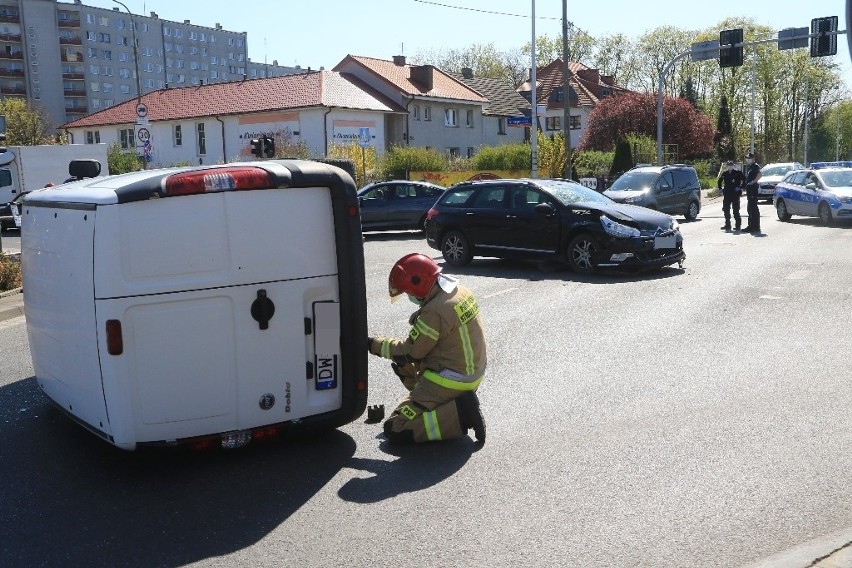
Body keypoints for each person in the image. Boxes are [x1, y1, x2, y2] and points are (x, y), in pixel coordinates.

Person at [367, 253, 487, 445]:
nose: (409, 297)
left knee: (395, 428)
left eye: (408, 292)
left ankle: (461, 414)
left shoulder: (435, 311)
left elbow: (410, 351)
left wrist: (372, 344)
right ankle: (440, 403)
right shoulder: (459, 291)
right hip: (471, 371)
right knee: (402, 366)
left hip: (450, 378)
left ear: (418, 284)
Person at [717, 160, 745, 231]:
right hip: (727, 193)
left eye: (731, 165)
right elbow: (719, 181)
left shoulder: (738, 173)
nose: (730, 167)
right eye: (729, 165)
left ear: (733, 166)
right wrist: (720, 188)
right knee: (726, 209)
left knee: (735, 209)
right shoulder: (725, 173)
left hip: (735, 193)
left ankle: (738, 225)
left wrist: (740, 187)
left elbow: (744, 180)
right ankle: (727, 224)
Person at [742, 151, 763, 233]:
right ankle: (753, 226)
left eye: (749, 158)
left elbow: (760, 174)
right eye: (747, 158)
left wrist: (753, 182)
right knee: (751, 207)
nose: (748, 160)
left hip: (753, 189)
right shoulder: (750, 167)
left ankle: (753, 226)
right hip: (750, 189)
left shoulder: (755, 166)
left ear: (753, 159)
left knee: (752, 208)